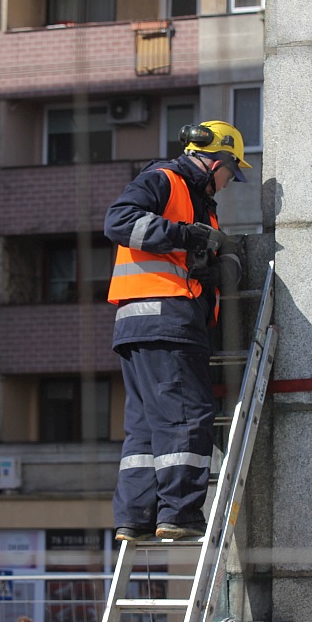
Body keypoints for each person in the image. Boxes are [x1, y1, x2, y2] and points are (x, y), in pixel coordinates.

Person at [104, 120, 248, 541]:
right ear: (214, 160)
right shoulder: (165, 180)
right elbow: (118, 221)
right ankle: (180, 514)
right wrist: (187, 237)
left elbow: (196, 257)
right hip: (166, 319)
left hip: (138, 324)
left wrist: (214, 255)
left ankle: (135, 517)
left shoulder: (198, 201)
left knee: (147, 429)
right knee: (187, 417)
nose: (227, 183)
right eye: (230, 172)